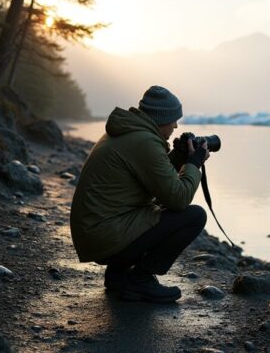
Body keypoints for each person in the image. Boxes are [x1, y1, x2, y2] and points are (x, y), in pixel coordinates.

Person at [69, 85, 210, 303]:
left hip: (96, 231)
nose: (175, 125)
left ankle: (118, 275)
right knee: (194, 215)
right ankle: (140, 279)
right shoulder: (144, 142)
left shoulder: (128, 133)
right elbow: (178, 198)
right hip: (104, 234)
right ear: (159, 118)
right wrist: (193, 164)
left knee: (156, 210)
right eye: (172, 119)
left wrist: (179, 157)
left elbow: (153, 180)